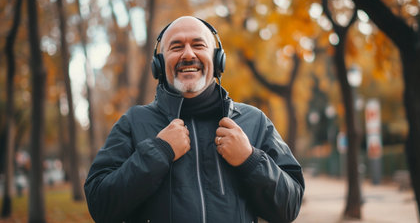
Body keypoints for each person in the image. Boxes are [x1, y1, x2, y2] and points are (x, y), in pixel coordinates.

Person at [84, 16, 305, 223]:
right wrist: (158, 152)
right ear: (159, 64)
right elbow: (100, 205)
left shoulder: (254, 121)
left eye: (199, 45)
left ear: (218, 60)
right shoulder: (133, 122)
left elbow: (290, 206)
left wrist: (250, 160)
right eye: (176, 47)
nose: (188, 54)